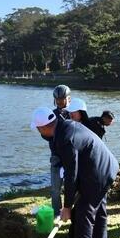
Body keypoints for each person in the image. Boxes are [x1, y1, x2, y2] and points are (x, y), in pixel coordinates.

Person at [31, 107, 119, 238]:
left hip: (98, 172)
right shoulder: (66, 125)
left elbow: (71, 175)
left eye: (38, 130)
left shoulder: (65, 139)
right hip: (107, 166)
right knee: (99, 210)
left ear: (43, 128)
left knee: (84, 214)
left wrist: (67, 207)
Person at [48, 85, 72, 217]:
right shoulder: (51, 115)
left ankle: (73, 211)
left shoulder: (74, 113)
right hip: (56, 156)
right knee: (55, 189)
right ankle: (57, 213)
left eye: (62, 99)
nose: (60, 102)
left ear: (69, 99)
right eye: (57, 100)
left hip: (72, 157)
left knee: (74, 187)